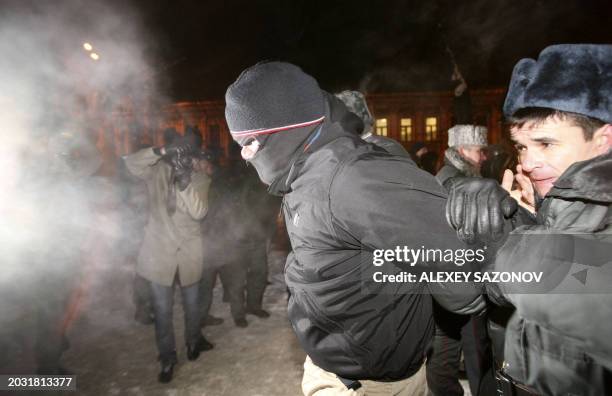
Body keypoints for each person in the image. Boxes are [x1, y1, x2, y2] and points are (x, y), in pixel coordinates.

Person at [224, 61, 485, 395]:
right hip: (339, 369)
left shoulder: (352, 179)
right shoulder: (302, 172)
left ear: (288, 127)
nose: (246, 156)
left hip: (373, 385)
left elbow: (462, 281)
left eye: (251, 141)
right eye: (239, 144)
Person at [445, 44, 612, 395]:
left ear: (603, 141)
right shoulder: (553, 209)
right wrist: (518, 218)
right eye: (521, 146)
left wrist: (505, 243)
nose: (528, 162)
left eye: (546, 144)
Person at [123, 130, 214, 383]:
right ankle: (167, 358)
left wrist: (184, 181)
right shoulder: (156, 170)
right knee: (162, 312)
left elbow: (199, 211)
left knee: (192, 306)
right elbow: (130, 163)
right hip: (158, 252)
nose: (183, 158)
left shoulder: (198, 176)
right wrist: (161, 151)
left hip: (188, 253)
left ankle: (194, 342)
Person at [427, 125, 493, 396]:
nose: (484, 157)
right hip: (465, 280)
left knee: (444, 352)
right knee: (476, 350)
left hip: (445, 279)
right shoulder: (463, 183)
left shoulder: (445, 175)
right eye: (480, 151)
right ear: (463, 150)